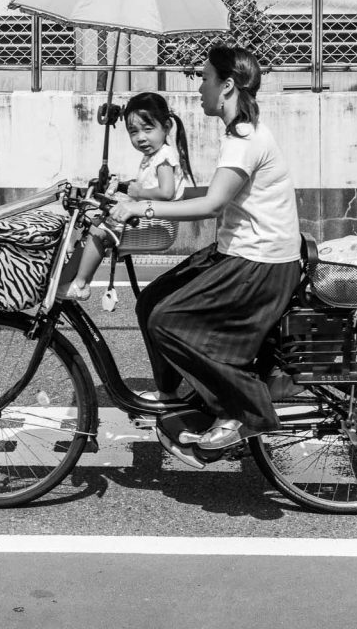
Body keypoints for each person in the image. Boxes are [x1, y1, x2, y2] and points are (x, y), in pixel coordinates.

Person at [109, 44, 301, 459]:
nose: (198, 87)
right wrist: (137, 193)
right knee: (152, 301)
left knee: (167, 320)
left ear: (227, 85)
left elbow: (212, 205)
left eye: (204, 78)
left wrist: (141, 206)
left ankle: (241, 410)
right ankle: (179, 398)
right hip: (241, 251)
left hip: (259, 262)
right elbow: (216, 194)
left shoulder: (244, 139)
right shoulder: (238, 134)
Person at [62, 92, 195, 301]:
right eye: (134, 132)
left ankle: (81, 284)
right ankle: (64, 282)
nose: (140, 137)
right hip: (146, 216)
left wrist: (138, 192)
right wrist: (124, 187)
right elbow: (148, 186)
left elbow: (166, 192)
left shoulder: (164, 157)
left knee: (97, 230)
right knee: (90, 223)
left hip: (156, 224)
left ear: (166, 127)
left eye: (148, 129)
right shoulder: (153, 156)